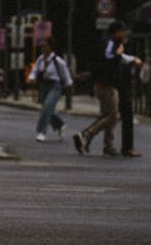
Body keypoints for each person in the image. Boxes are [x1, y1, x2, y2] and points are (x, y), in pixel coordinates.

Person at [73, 20, 141, 156]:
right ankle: (86, 134)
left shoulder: (110, 42)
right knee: (113, 115)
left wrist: (129, 58)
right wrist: (123, 55)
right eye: (123, 31)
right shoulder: (111, 43)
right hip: (106, 85)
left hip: (106, 84)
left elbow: (116, 57)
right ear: (116, 32)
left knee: (108, 115)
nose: (125, 33)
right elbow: (110, 57)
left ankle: (108, 145)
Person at [27, 36, 72, 142]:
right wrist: (32, 78)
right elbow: (35, 70)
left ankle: (41, 132)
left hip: (55, 86)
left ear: (50, 47)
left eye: (45, 46)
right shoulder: (40, 59)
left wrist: (68, 85)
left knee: (47, 105)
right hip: (43, 85)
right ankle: (60, 124)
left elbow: (65, 74)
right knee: (47, 108)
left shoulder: (58, 61)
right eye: (42, 46)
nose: (43, 48)